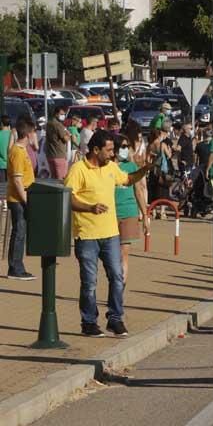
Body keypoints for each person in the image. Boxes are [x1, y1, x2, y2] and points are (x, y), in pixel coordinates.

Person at [65, 130, 155, 337]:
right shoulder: (78, 169)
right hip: (86, 235)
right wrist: (89, 208)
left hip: (111, 234)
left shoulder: (111, 167)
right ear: (96, 150)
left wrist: (145, 169)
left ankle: (115, 319)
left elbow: (128, 180)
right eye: (108, 150)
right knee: (89, 282)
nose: (112, 154)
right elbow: (68, 198)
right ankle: (88, 322)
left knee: (117, 276)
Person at [113, 135, 149, 283]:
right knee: (109, 256)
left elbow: (139, 191)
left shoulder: (131, 167)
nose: (126, 149)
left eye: (127, 146)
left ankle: (120, 288)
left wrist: (145, 216)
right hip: (109, 214)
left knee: (123, 253)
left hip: (128, 213)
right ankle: (114, 282)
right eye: (122, 146)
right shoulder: (107, 166)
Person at [6, 116, 37, 280]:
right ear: (29, 134)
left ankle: (17, 265)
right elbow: (17, 180)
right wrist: (26, 200)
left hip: (22, 195)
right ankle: (15, 268)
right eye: (34, 132)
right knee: (19, 231)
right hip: (18, 198)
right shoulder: (17, 152)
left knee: (20, 232)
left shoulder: (22, 150)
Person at [43, 108, 71, 179]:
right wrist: (68, 134)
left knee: (54, 179)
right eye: (61, 114)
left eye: (64, 114)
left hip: (50, 154)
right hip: (59, 154)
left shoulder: (49, 123)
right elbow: (65, 139)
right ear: (56, 114)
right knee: (61, 179)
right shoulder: (58, 125)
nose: (63, 116)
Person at [0, 116, 10, 189]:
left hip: (1, 164)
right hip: (11, 164)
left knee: (2, 188)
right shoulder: (13, 134)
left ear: (1, 123)